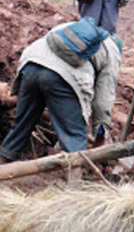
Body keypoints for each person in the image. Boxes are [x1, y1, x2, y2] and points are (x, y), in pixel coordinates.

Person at [0, 19, 122, 179]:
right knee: (75, 136)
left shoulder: (71, 27)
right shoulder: (112, 51)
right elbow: (103, 101)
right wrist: (100, 138)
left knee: (22, 123)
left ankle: (4, 161)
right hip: (61, 76)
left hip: (30, 63)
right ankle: (74, 186)